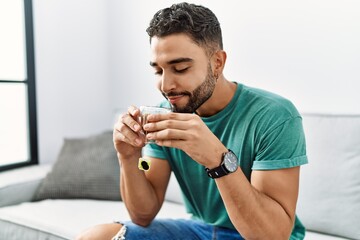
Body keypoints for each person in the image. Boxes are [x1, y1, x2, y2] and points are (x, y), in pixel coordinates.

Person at [76, 2, 308, 240]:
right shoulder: (165, 116)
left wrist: (218, 160)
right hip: (201, 230)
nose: (166, 86)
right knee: (96, 236)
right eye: (158, 71)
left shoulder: (274, 116)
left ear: (217, 63)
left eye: (181, 68)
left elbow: (272, 235)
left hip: (256, 235)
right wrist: (130, 158)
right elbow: (143, 215)